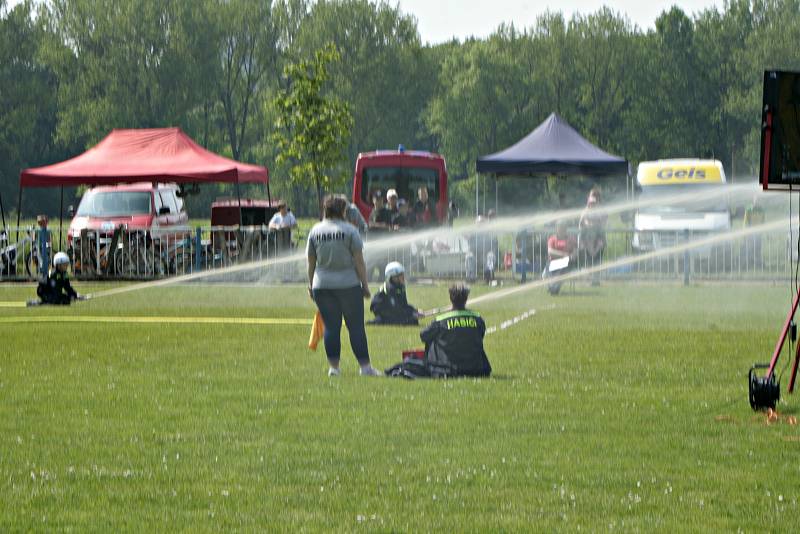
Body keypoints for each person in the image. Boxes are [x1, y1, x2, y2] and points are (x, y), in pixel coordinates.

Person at [306, 195, 381, 377]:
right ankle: (365, 368)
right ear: (343, 211)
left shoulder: (315, 231)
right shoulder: (350, 231)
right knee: (355, 327)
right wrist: (365, 284)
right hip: (348, 284)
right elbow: (360, 262)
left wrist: (311, 285)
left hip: (322, 285)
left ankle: (334, 368)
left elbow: (311, 262)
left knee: (331, 327)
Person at [405, 283, 491, 378]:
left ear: (450, 298)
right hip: (477, 369)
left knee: (432, 337)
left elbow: (423, 336)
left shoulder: (441, 320)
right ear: (466, 299)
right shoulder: (477, 318)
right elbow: (481, 334)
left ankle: (434, 365)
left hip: (447, 369)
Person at [578, 187, 607, 285]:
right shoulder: (586, 209)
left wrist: (593, 223)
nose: (592, 198)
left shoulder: (602, 210)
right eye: (591, 196)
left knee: (597, 259)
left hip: (599, 239)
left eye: (594, 196)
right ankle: (592, 279)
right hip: (588, 239)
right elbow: (582, 221)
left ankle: (596, 280)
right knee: (589, 260)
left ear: (598, 198)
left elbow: (603, 222)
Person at [544, 221, 577, 295]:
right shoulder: (552, 239)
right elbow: (550, 251)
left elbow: (575, 252)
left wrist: (571, 256)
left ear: (566, 229)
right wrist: (565, 255)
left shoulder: (571, 239)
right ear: (556, 229)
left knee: (562, 269)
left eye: (563, 227)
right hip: (553, 262)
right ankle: (553, 288)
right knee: (548, 270)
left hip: (566, 263)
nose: (562, 229)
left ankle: (554, 288)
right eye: (560, 227)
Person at [743, 195, 765, 269]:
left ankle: (757, 264)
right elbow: (746, 222)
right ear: (753, 200)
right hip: (750, 233)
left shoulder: (761, 209)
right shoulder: (749, 209)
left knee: (758, 249)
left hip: (758, 233)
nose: (757, 201)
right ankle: (748, 264)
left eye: (759, 200)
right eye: (756, 200)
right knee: (749, 249)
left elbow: (763, 221)